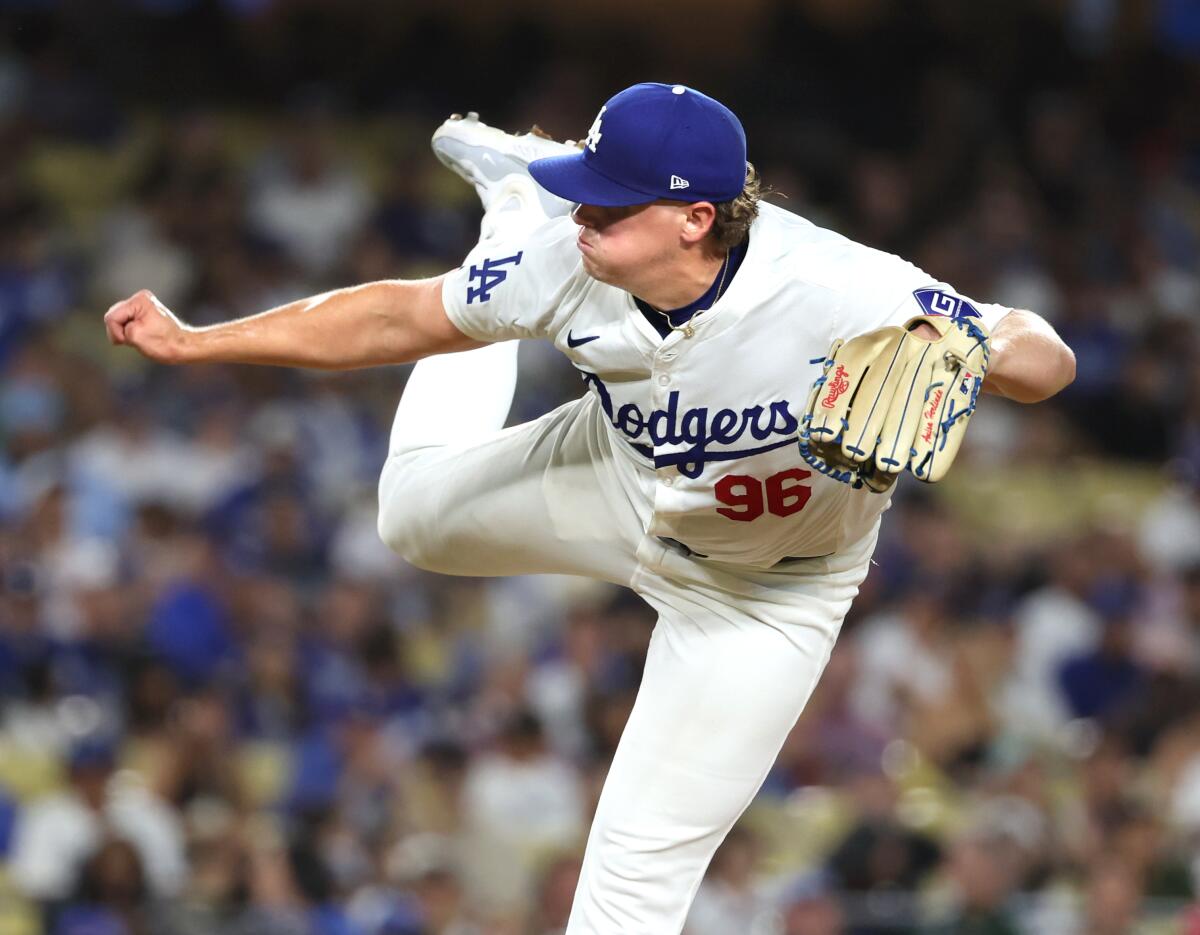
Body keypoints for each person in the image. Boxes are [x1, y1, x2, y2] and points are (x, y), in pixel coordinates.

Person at [104, 82, 1075, 934]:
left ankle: (509, 209)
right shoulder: (571, 260)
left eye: (607, 204)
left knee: (633, 883)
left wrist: (979, 351)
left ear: (694, 218)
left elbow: (1045, 355)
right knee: (408, 517)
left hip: (762, 597)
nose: (586, 221)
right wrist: (202, 342)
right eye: (579, 196)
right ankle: (506, 213)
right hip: (615, 475)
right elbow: (398, 315)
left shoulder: (840, 288)